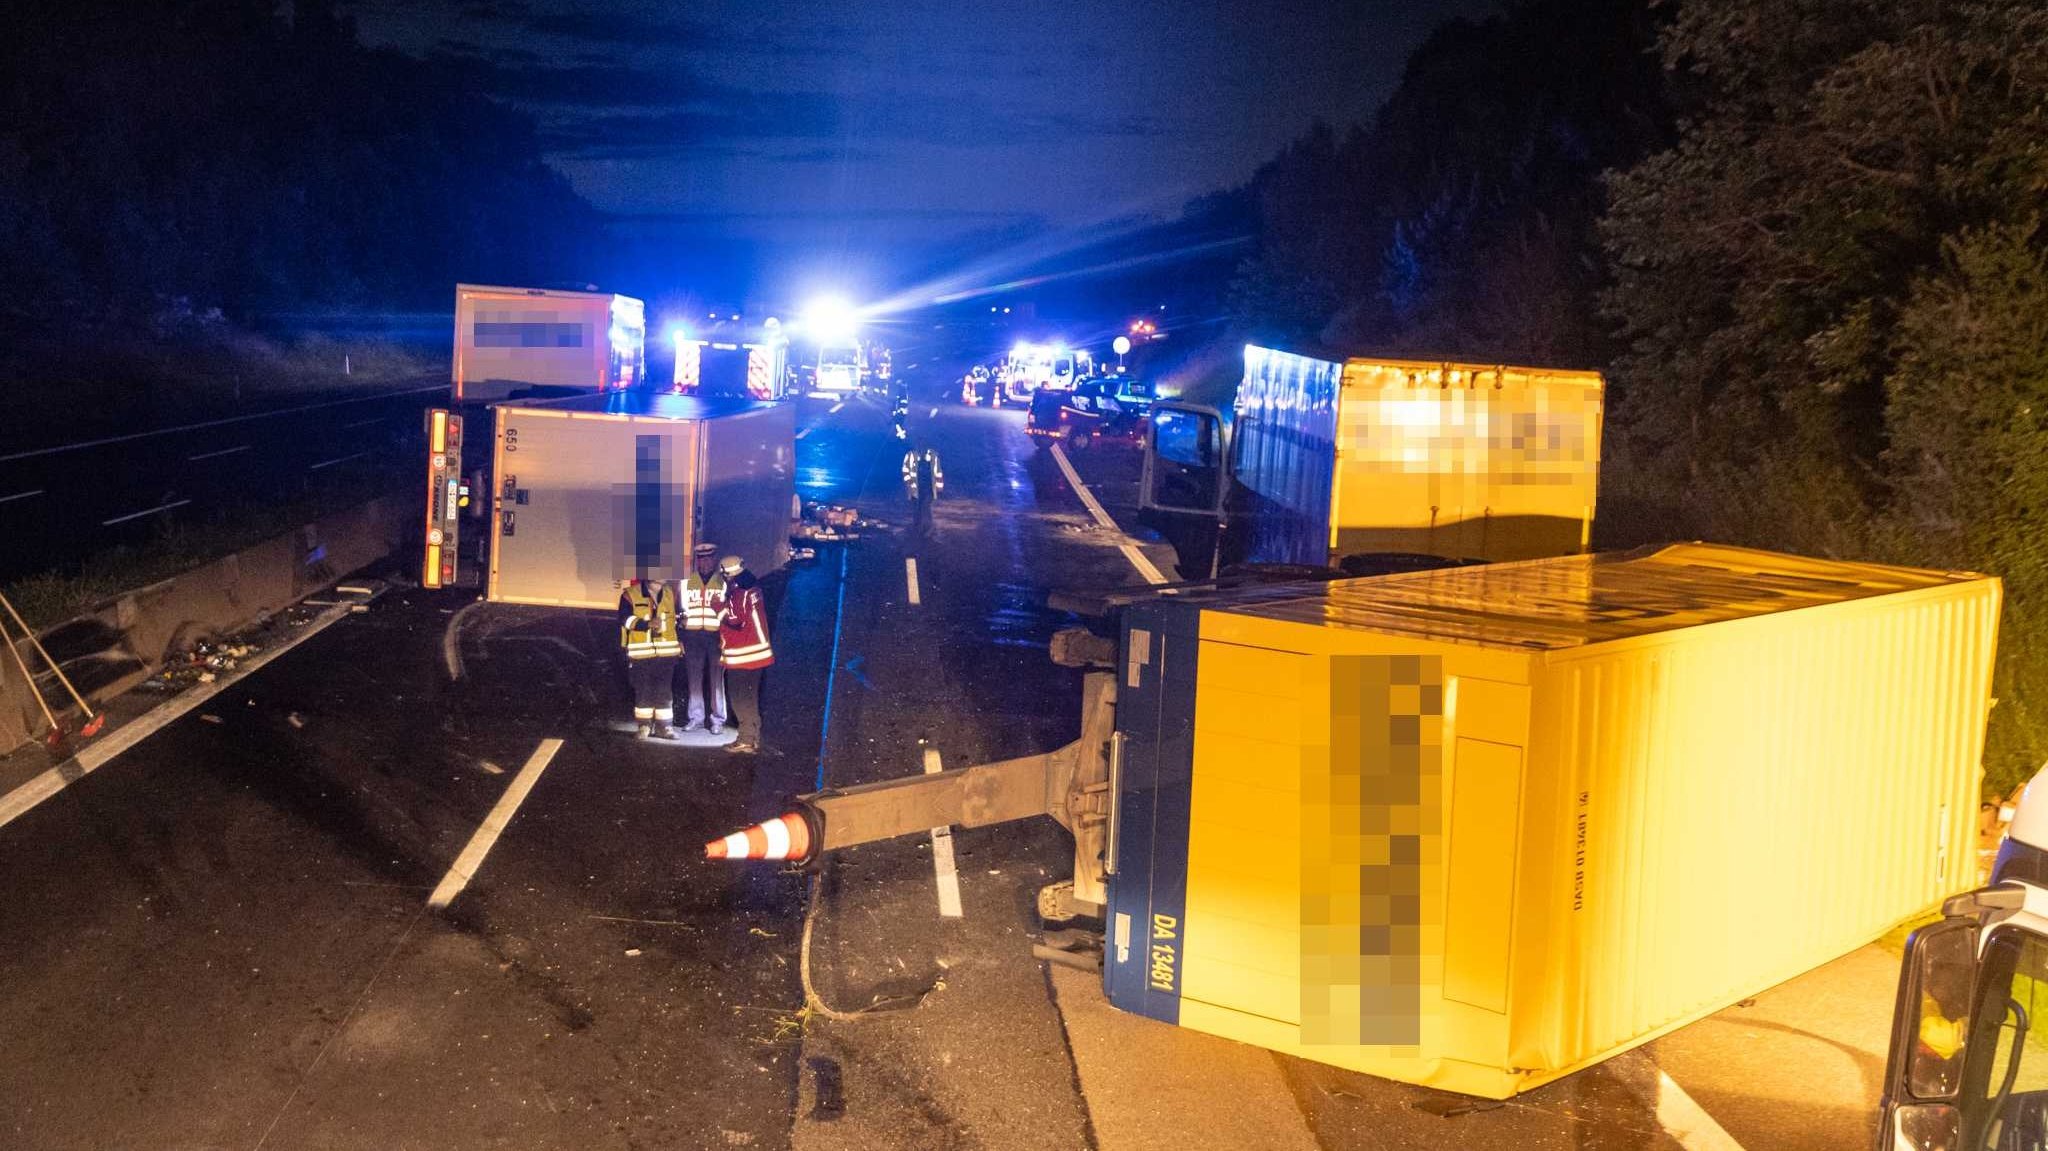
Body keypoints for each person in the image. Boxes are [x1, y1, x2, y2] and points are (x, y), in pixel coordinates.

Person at [716, 553, 774, 754]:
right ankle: (753, 737)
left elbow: (734, 621)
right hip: (758, 655)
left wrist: (719, 608)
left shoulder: (738, 592)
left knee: (740, 699)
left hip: (743, 656)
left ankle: (746, 739)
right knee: (750, 698)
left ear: (726, 574)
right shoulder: (754, 588)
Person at [617, 574, 680, 739]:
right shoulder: (630, 594)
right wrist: (646, 624)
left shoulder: (670, 593)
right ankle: (644, 726)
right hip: (641, 652)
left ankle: (664, 727)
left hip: (666, 653)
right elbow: (625, 619)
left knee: (664, 691)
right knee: (643, 690)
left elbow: (676, 618)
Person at [679, 542, 728, 733]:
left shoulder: (723, 583)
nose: (705, 563)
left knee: (717, 680)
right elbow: (680, 612)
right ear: (697, 561)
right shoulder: (686, 583)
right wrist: (681, 637)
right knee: (694, 679)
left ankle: (717, 720)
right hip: (692, 636)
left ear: (714, 560)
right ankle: (696, 717)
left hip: (716, 636)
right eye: (701, 559)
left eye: (708, 559)